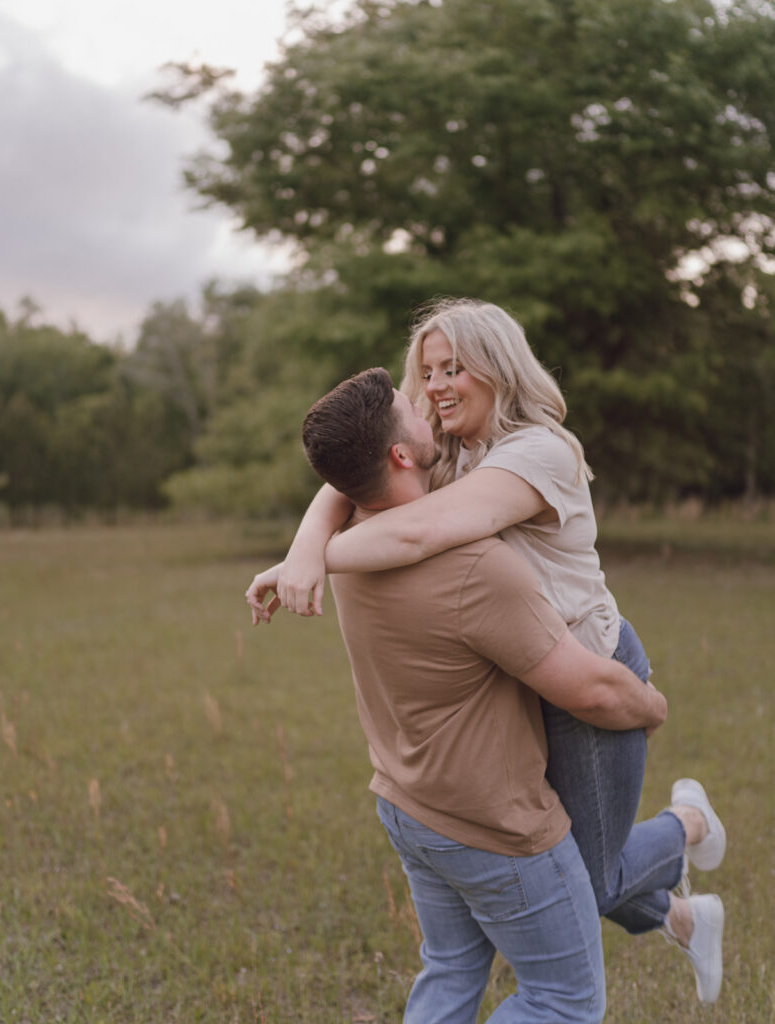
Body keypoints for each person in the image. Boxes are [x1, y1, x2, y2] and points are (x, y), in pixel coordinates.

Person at [247, 300, 726, 1002]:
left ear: (498, 368)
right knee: (569, 879)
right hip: (525, 673)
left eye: (455, 368)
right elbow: (351, 475)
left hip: (588, 669)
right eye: (429, 370)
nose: (435, 386)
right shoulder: (448, 449)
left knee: (584, 881)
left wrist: (316, 560)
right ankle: (685, 918)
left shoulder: (538, 452)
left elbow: (410, 535)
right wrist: (300, 549)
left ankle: (686, 825)